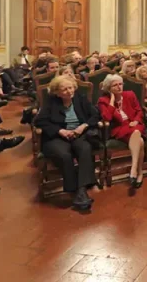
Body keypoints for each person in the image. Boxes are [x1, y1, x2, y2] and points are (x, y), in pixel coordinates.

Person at [34, 76, 101, 210]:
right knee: (64, 155)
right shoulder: (51, 102)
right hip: (57, 137)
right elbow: (39, 121)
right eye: (64, 89)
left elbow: (96, 115)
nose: (69, 91)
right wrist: (60, 131)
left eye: (70, 88)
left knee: (85, 149)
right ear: (57, 92)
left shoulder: (80, 99)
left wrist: (83, 126)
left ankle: (81, 190)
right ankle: (74, 190)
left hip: (78, 133)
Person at [98, 74, 146, 188]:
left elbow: (139, 111)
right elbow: (107, 118)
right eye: (115, 85)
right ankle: (139, 172)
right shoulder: (103, 100)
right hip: (119, 128)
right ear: (109, 88)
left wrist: (135, 120)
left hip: (134, 124)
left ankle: (133, 170)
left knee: (136, 132)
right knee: (140, 141)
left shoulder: (130, 94)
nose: (119, 87)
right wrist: (112, 100)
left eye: (120, 84)